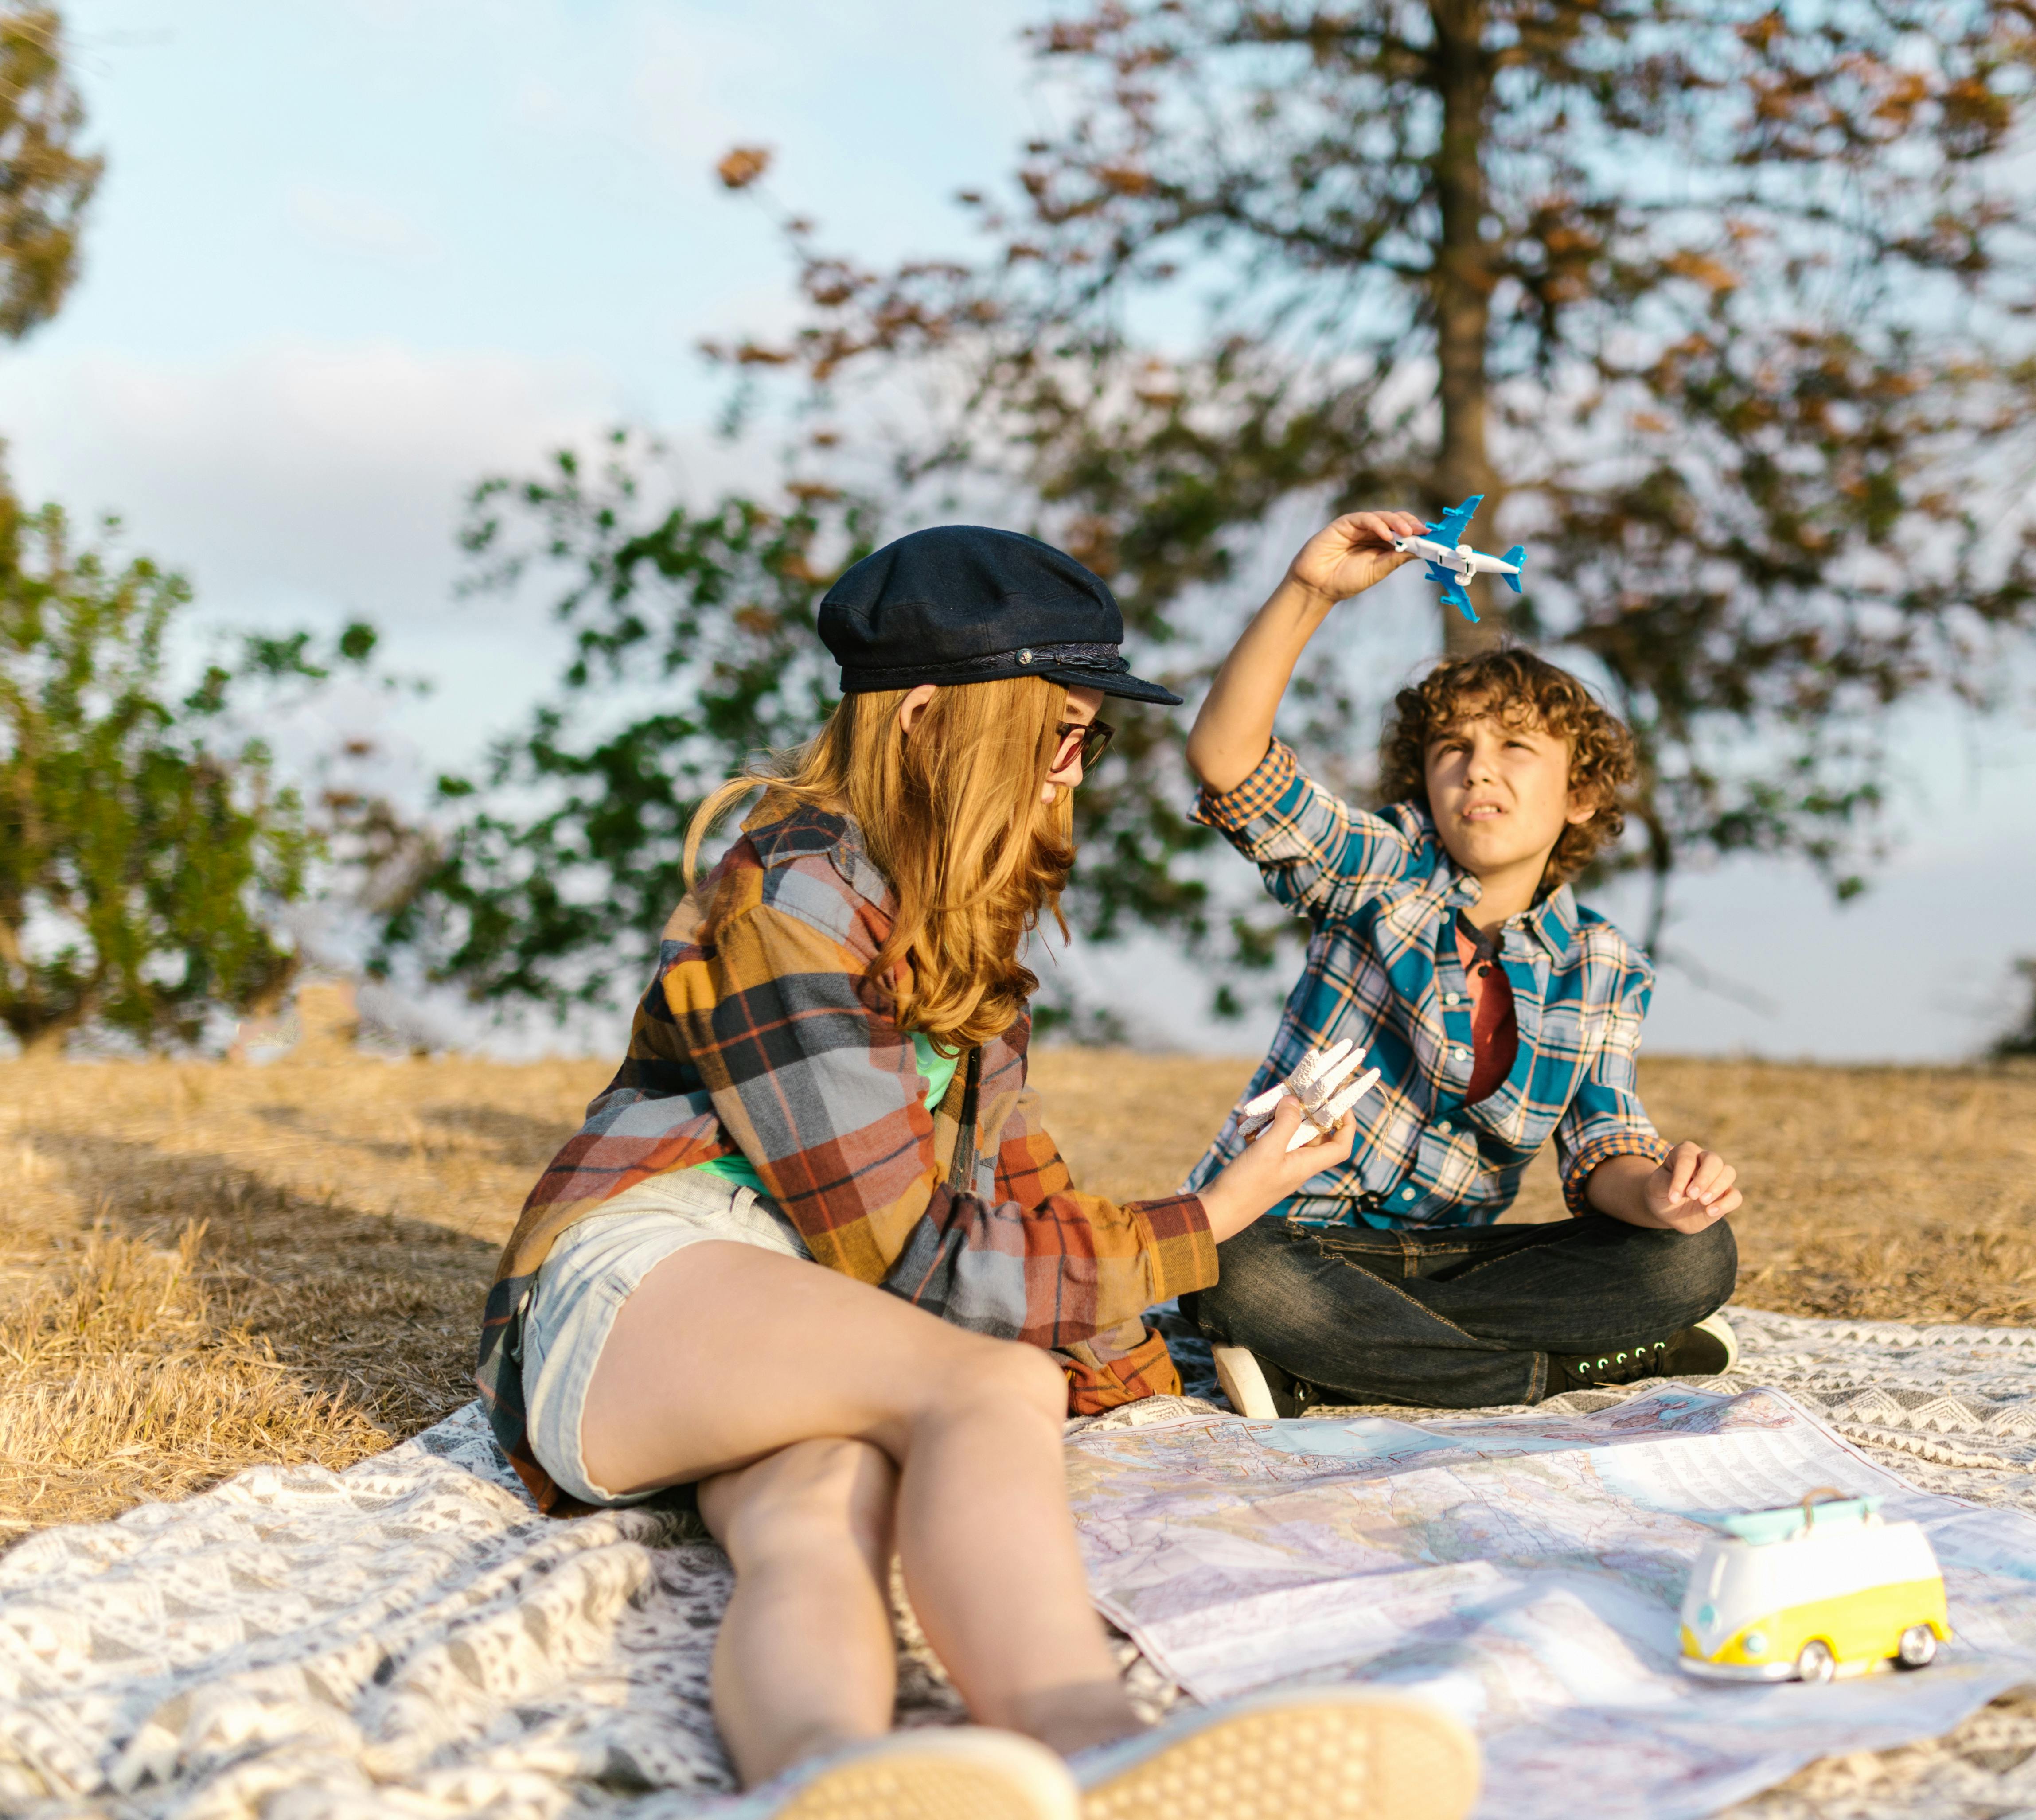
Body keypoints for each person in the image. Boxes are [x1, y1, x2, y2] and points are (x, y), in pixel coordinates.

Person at [476, 526, 1480, 1820]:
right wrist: (1209, 1221)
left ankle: (825, 1776)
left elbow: (1016, 1181)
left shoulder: (954, 902)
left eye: (1091, 737)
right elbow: (915, 1259)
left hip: (794, 1311)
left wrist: (1127, 1347)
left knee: (822, 1510)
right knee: (986, 1381)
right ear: (932, 721)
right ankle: (1094, 1745)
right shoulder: (792, 900)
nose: (1079, 767)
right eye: (1057, 729)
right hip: (642, 1285)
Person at [1179, 511, 1746, 1421]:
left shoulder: (1599, 962)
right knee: (1236, 1268)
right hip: (1292, 1234)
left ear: (1581, 793)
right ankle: (1557, 1375)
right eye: (1453, 750)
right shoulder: (1380, 867)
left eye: (1514, 746)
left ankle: (1333, 1365)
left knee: (1695, 1256)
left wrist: (1665, 1192)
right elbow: (1227, 761)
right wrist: (1310, 590)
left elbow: (1601, 1150)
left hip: (1448, 1261)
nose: (1477, 769)